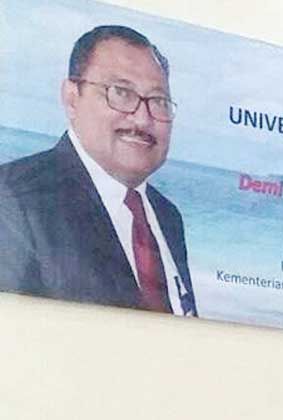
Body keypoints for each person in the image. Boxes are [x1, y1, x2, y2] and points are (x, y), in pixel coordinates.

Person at [0, 25, 196, 315]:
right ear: (72, 98)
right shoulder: (14, 199)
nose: (142, 119)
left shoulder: (167, 217)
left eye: (158, 101)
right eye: (121, 92)